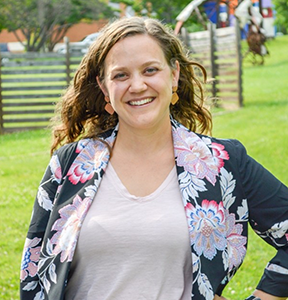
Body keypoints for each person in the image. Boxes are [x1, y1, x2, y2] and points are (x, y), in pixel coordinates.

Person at [20, 16, 288, 300]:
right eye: (120, 75)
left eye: (150, 70)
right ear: (103, 86)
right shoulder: (70, 164)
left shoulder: (221, 162)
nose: (137, 86)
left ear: (173, 74)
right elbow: (33, 273)